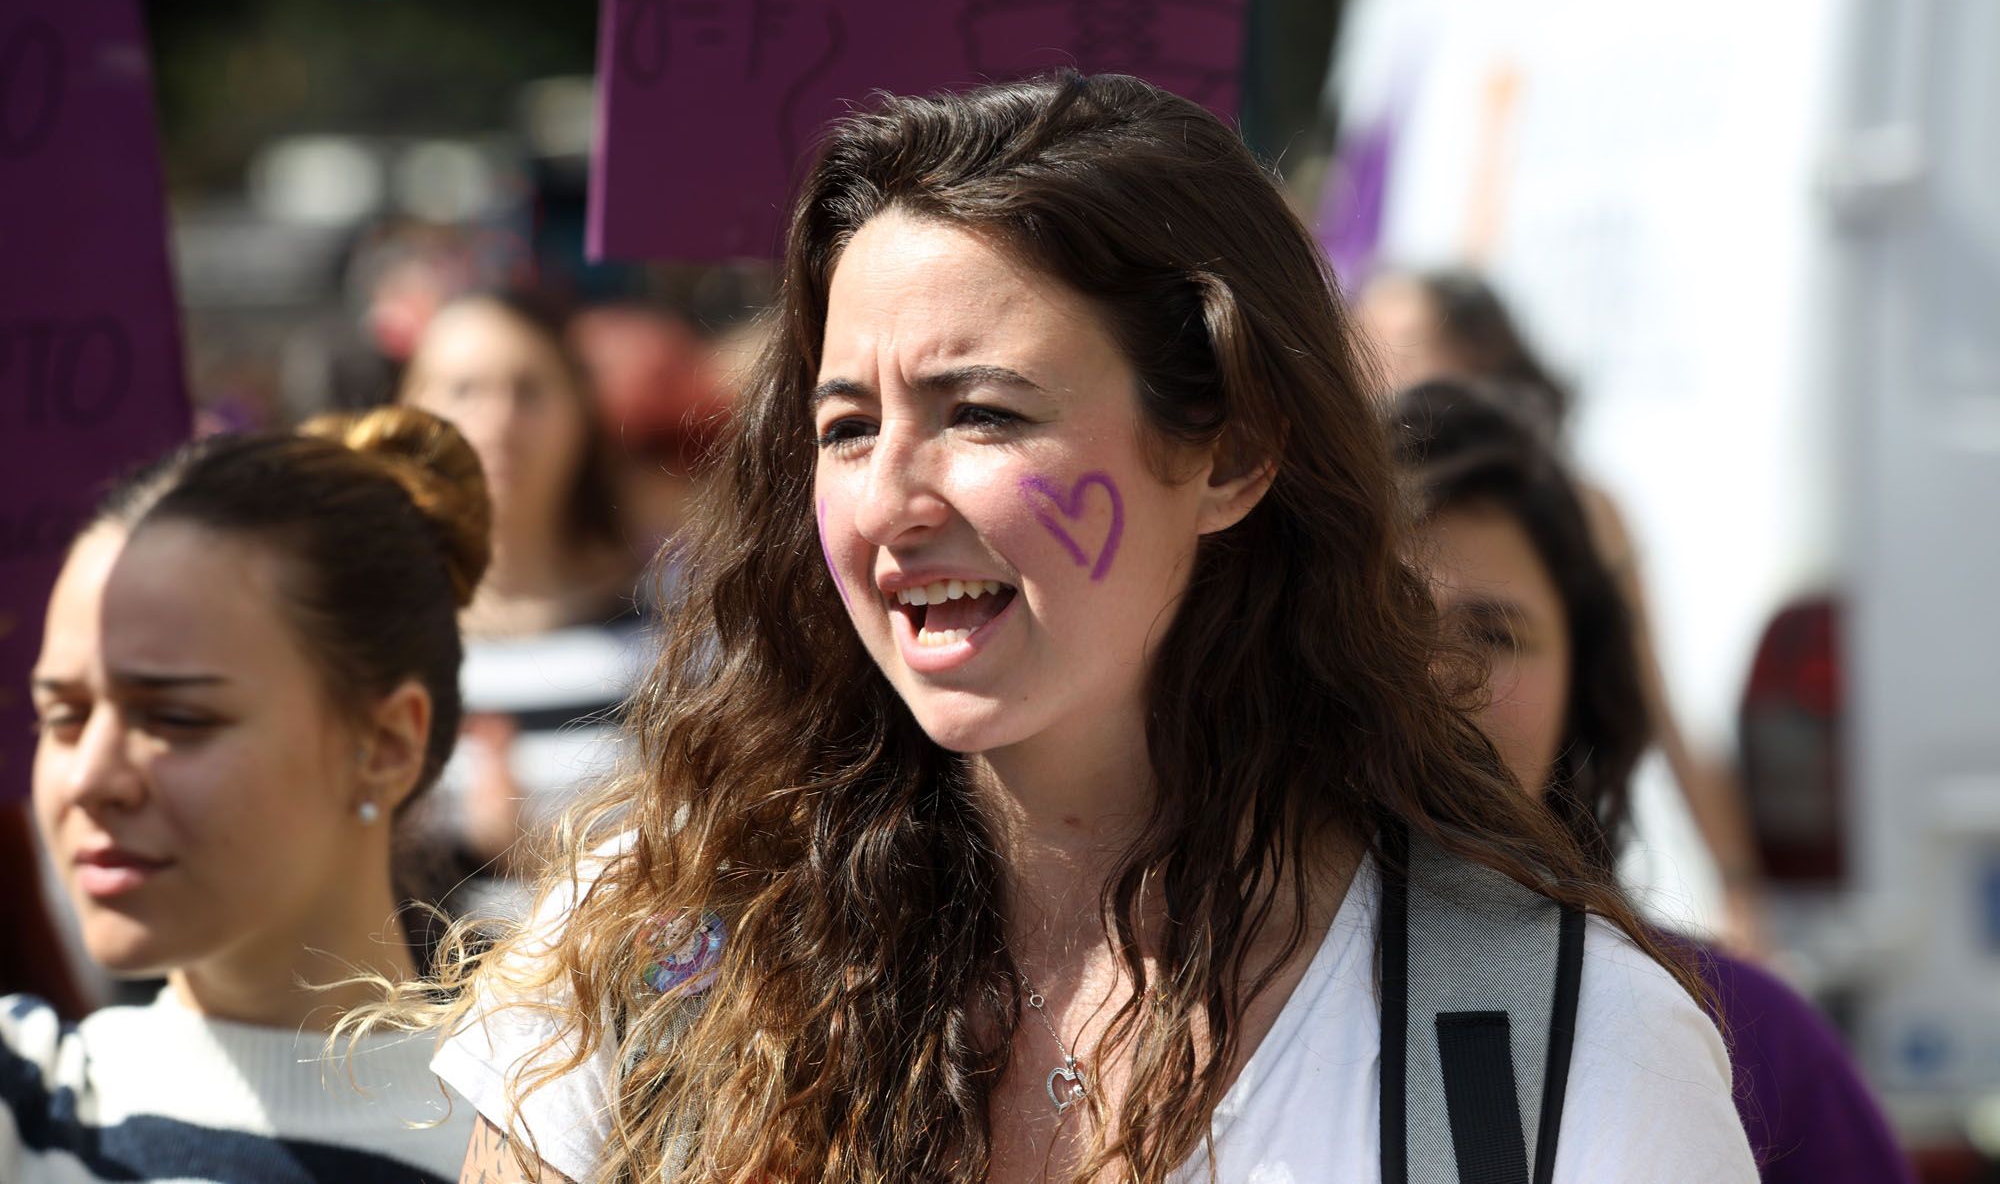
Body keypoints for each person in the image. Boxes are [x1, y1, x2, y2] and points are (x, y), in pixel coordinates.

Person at [398, 73, 1754, 1183]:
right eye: (845, 427)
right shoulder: (654, 956)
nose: (890, 502)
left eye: (984, 412)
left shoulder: (1555, 1053)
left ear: (1231, 454)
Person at [1390, 377, 1912, 1183]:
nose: (1444, 676)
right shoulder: (1176, 1023)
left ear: (1584, 688)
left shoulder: (1751, 1045)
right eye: (1389, 623)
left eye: (1495, 633)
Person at [4, 407, 485, 1181]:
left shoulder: (544, 1144)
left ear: (387, 744)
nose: (90, 777)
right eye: (62, 716)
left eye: (177, 718)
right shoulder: (27, 1105)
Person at [1355, 264, 1771, 954]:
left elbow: (1658, 706)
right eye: (1363, 341)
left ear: (1482, 350)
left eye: (1403, 342)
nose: (1377, 366)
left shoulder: (1576, 508)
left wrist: (1738, 890)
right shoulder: (1333, 505)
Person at [399, 293, 650, 899]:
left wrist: (535, 858)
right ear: (408, 415)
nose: (498, 420)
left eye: (529, 390)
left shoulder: (678, 627)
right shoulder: (368, 641)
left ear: (581, 410)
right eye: (463, 390)